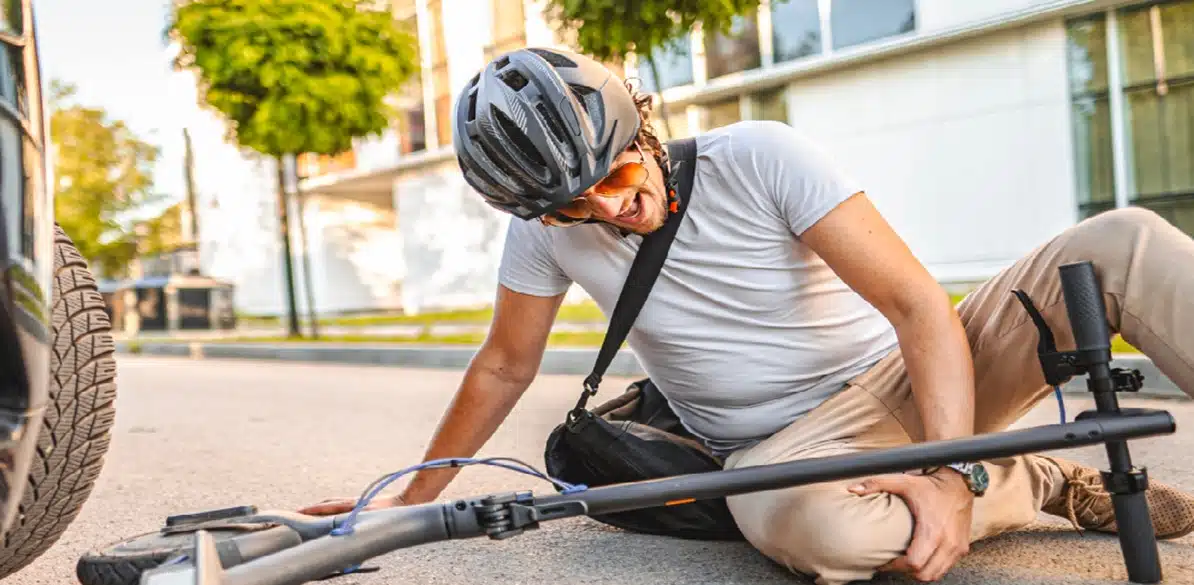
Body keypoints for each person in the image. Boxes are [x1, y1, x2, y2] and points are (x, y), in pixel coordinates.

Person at [300, 47, 1194, 584]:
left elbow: (919, 307)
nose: (609, 210)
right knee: (830, 536)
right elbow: (503, 365)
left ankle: (971, 473)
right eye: (574, 206)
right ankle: (1034, 479)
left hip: (911, 376)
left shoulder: (759, 156)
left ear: (639, 128)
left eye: (612, 175)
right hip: (782, 456)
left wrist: (946, 469)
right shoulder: (546, 239)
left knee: (1122, 240)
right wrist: (403, 503)